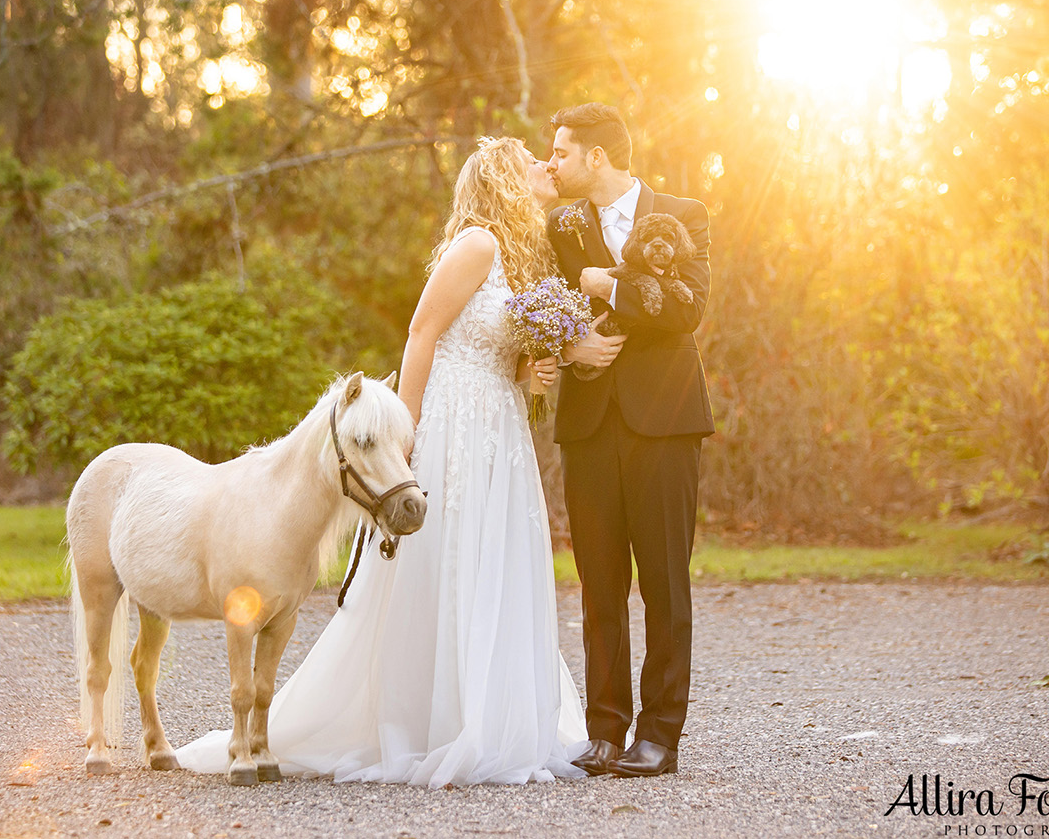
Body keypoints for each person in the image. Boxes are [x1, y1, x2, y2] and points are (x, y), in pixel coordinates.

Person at [176, 137, 587, 787]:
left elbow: (492, 341)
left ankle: (485, 714)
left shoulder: (520, 256)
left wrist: (528, 371)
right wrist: (407, 432)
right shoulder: (477, 244)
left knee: (491, 556)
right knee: (447, 557)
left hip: (499, 423)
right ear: (504, 179)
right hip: (452, 420)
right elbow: (422, 333)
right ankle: (434, 723)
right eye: (531, 158)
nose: (545, 165)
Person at [544, 103, 714, 778]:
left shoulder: (686, 213)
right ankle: (605, 731)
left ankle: (660, 736)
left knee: (666, 584)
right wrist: (568, 342)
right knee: (599, 586)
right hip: (588, 426)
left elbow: (687, 307)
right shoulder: (560, 226)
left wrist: (606, 280)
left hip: (666, 423)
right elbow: (539, 305)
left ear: (596, 157)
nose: (553, 162)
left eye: (561, 151)